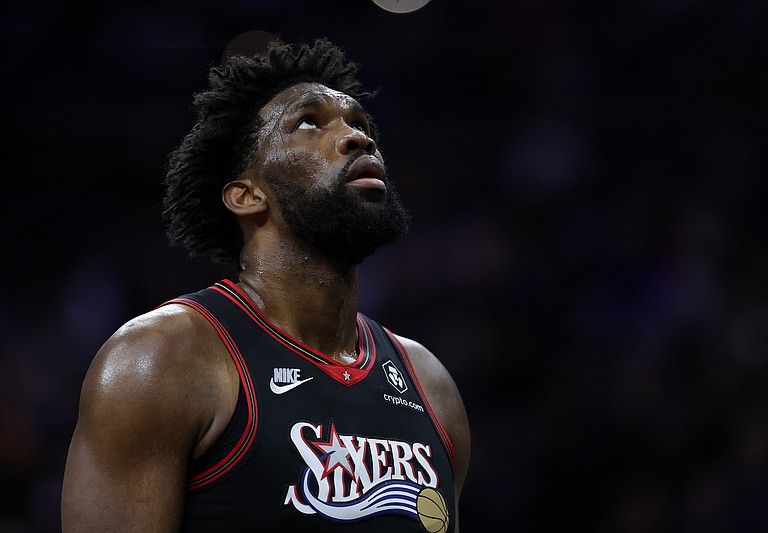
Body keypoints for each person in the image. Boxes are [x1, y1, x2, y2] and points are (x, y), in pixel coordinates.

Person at [61, 37, 470, 532]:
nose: (357, 138)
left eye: (361, 125)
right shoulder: (161, 358)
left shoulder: (430, 385)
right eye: (309, 122)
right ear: (247, 195)